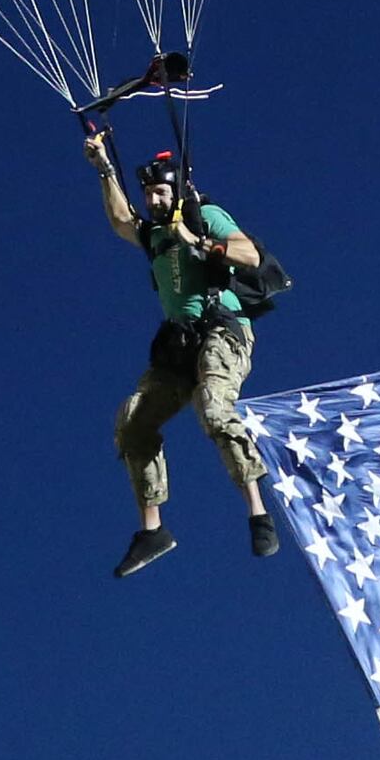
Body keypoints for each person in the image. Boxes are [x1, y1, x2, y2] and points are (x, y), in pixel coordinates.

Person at [86, 133, 276, 576]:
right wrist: (103, 167)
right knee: (133, 421)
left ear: (175, 192)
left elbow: (248, 253)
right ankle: (153, 531)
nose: (152, 199)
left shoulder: (203, 215)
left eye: (159, 191)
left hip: (223, 332)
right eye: (148, 192)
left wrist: (195, 238)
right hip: (179, 345)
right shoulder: (152, 233)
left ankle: (258, 512)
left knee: (213, 407)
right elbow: (119, 221)